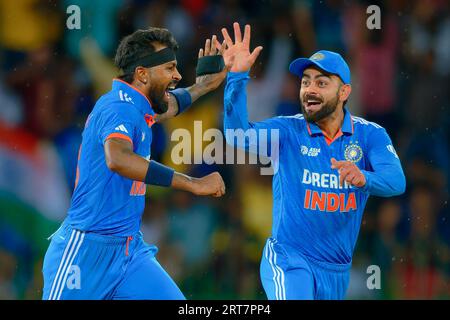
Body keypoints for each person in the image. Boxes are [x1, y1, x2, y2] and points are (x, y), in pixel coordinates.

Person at [219, 23, 406, 300]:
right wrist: (237, 78)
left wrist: (365, 178)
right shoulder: (287, 131)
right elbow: (237, 135)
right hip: (289, 260)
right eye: (305, 81)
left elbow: (396, 181)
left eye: (321, 83)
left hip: (336, 271)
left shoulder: (370, 135)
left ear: (344, 93)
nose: (309, 89)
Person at [42, 27, 229, 300]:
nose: (177, 76)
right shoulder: (117, 108)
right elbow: (117, 158)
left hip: (130, 253)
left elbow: (170, 106)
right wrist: (191, 183)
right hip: (85, 253)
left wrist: (203, 86)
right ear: (142, 74)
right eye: (169, 68)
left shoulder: (138, 107)